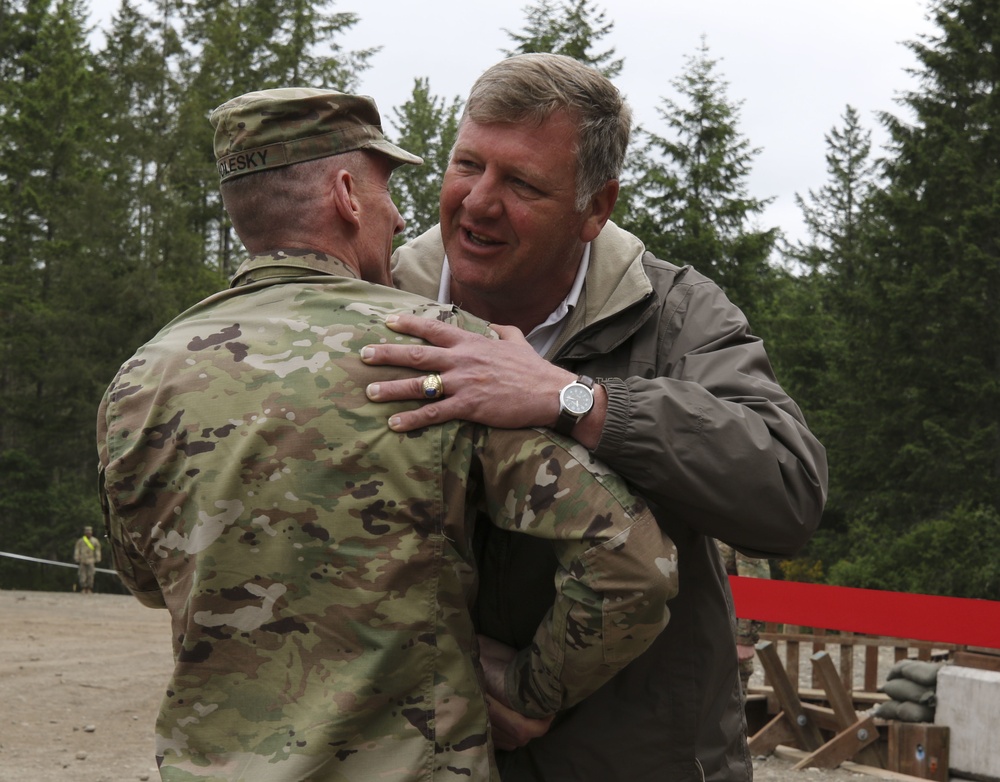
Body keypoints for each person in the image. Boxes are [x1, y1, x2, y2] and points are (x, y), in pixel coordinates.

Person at [96, 87, 679, 782]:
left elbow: (148, 581)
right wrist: (531, 691)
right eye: (385, 189)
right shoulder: (438, 351)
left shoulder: (140, 381)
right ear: (346, 194)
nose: (401, 216)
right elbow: (632, 560)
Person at [361, 53, 829, 782]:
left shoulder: (673, 313)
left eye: (521, 184)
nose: (479, 202)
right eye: (467, 165)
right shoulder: (376, 301)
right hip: (422, 754)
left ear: (595, 208)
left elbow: (788, 489)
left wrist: (573, 398)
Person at [715, 540, 771, 694]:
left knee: (728, 711)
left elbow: (755, 586)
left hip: (726, 642)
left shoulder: (737, 523)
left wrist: (745, 638)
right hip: (688, 636)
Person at [72, 525, 102, 594]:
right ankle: (83, 588)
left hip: (91, 560)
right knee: (82, 575)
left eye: (89, 532)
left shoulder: (95, 541)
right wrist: (76, 557)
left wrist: (98, 558)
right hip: (82, 560)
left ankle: (89, 588)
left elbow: (97, 550)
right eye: (87, 532)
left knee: (90, 575)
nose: (88, 533)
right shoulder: (80, 541)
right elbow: (77, 550)